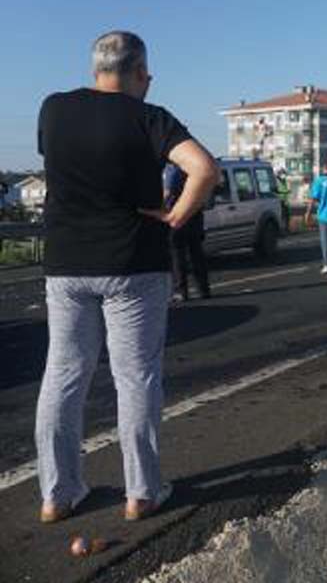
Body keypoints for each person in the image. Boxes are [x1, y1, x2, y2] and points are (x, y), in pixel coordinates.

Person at [35, 30, 219, 524]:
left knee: (63, 374)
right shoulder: (148, 116)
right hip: (133, 263)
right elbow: (204, 169)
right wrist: (176, 216)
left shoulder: (53, 109)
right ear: (139, 72)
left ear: (96, 68)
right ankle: (142, 492)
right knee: (135, 377)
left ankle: (58, 494)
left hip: (66, 264)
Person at [162, 163, 210, 301]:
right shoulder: (194, 169)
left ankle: (181, 291)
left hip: (178, 215)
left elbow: (167, 193)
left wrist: (158, 210)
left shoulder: (172, 170)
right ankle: (203, 289)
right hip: (195, 215)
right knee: (197, 254)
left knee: (177, 255)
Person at [306, 160, 327, 274]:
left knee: (325, 240)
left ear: (323, 168)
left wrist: (308, 213)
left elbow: (313, 198)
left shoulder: (319, 181)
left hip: (324, 215)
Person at [275, 167, 291, 233]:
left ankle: (287, 229)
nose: (283, 175)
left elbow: (288, 190)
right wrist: (285, 192)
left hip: (285, 201)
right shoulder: (276, 181)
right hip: (279, 201)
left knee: (287, 216)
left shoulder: (284, 181)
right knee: (281, 216)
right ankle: (281, 230)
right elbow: (276, 191)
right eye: (282, 173)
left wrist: (287, 191)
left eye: (284, 173)